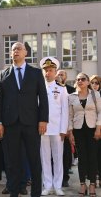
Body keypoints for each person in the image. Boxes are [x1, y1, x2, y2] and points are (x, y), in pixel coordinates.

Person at [0, 42, 49, 197]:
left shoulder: (36, 73)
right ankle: (13, 192)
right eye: (13, 50)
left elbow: (43, 98)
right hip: (10, 124)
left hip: (31, 123)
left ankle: (36, 193)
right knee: (12, 162)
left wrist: (43, 120)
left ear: (26, 53)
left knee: (34, 161)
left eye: (19, 49)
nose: (15, 51)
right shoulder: (4, 73)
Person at [39, 57, 69, 196]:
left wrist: (63, 129)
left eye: (50, 70)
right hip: (42, 129)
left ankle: (57, 186)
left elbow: (65, 111)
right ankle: (47, 185)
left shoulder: (61, 89)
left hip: (57, 129)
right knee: (45, 158)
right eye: (45, 70)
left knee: (58, 158)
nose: (48, 73)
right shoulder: (38, 89)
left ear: (55, 72)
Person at [68, 73, 101, 197]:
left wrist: (98, 128)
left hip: (93, 129)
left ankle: (92, 184)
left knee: (92, 157)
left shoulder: (95, 94)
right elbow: (69, 116)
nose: (80, 81)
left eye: (83, 79)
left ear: (88, 82)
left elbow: (100, 112)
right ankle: (83, 184)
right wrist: (70, 132)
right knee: (81, 158)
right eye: (78, 79)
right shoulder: (71, 97)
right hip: (78, 130)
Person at [55, 69, 75, 188]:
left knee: (65, 155)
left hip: (65, 127)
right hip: (53, 127)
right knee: (52, 155)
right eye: (58, 74)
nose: (59, 76)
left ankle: (64, 178)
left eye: (62, 75)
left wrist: (69, 128)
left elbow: (71, 110)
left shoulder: (71, 90)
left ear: (65, 78)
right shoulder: (49, 87)